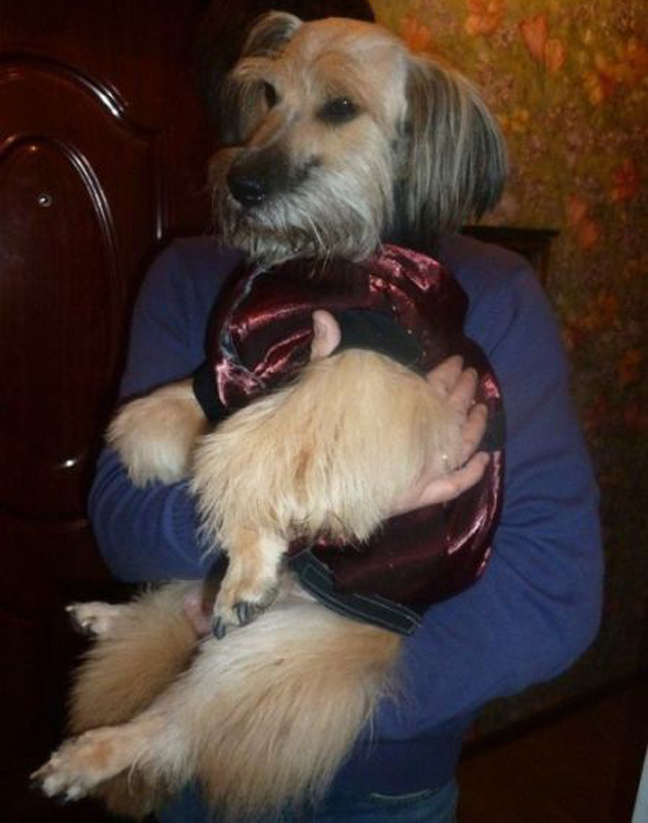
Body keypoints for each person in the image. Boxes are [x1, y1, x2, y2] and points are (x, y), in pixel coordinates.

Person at [88, 3, 603, 821]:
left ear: (418, 135)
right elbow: (122, 522)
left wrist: (292, 701)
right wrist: (311, 501)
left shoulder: (494, 296)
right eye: (269, 98)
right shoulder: (188, 277)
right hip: (192, 772)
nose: (263, 152)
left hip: (385, 779)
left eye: (335, 107)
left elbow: (553, 596)